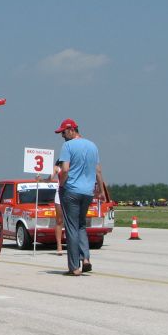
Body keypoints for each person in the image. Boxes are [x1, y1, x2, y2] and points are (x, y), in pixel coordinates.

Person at [55, 118, 103, 276]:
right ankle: (86, 259)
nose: (62, 136)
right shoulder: (93, 146)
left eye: (63, 132)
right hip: (88, 192)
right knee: (81, 225)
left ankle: (74, 267)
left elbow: (65, 169)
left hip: (71, 191)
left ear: (71, 130)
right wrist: (101, 191)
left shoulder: (68, 146)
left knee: (71, 228)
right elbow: (98, 171)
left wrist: (62, 184)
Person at [51, 164, 64, 255]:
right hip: (60, 194)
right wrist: (40, 179)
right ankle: (59, 245)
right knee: (59, 220)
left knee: (72, 220)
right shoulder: (57, 167)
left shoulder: (74, 164)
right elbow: (50, 178)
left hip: (71, 193)